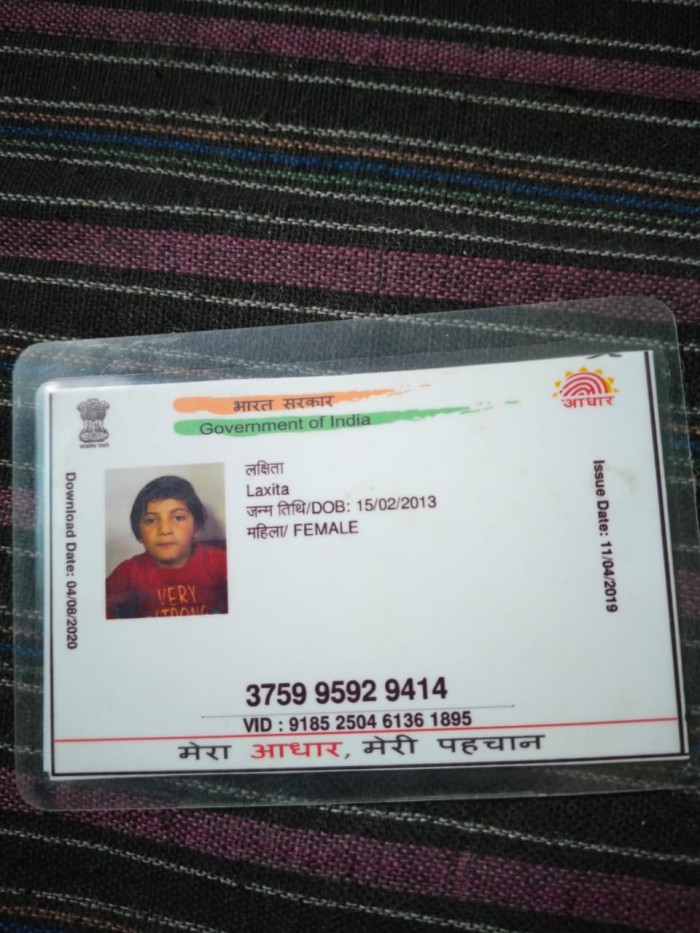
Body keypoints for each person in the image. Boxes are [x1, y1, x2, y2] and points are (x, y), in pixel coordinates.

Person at [106, 475, 228, 619]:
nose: (164, 530)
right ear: (139, 534)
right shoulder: (128, 573)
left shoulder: (218, 562)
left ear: (196, 528)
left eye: (178, 518)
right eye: (151, 520)